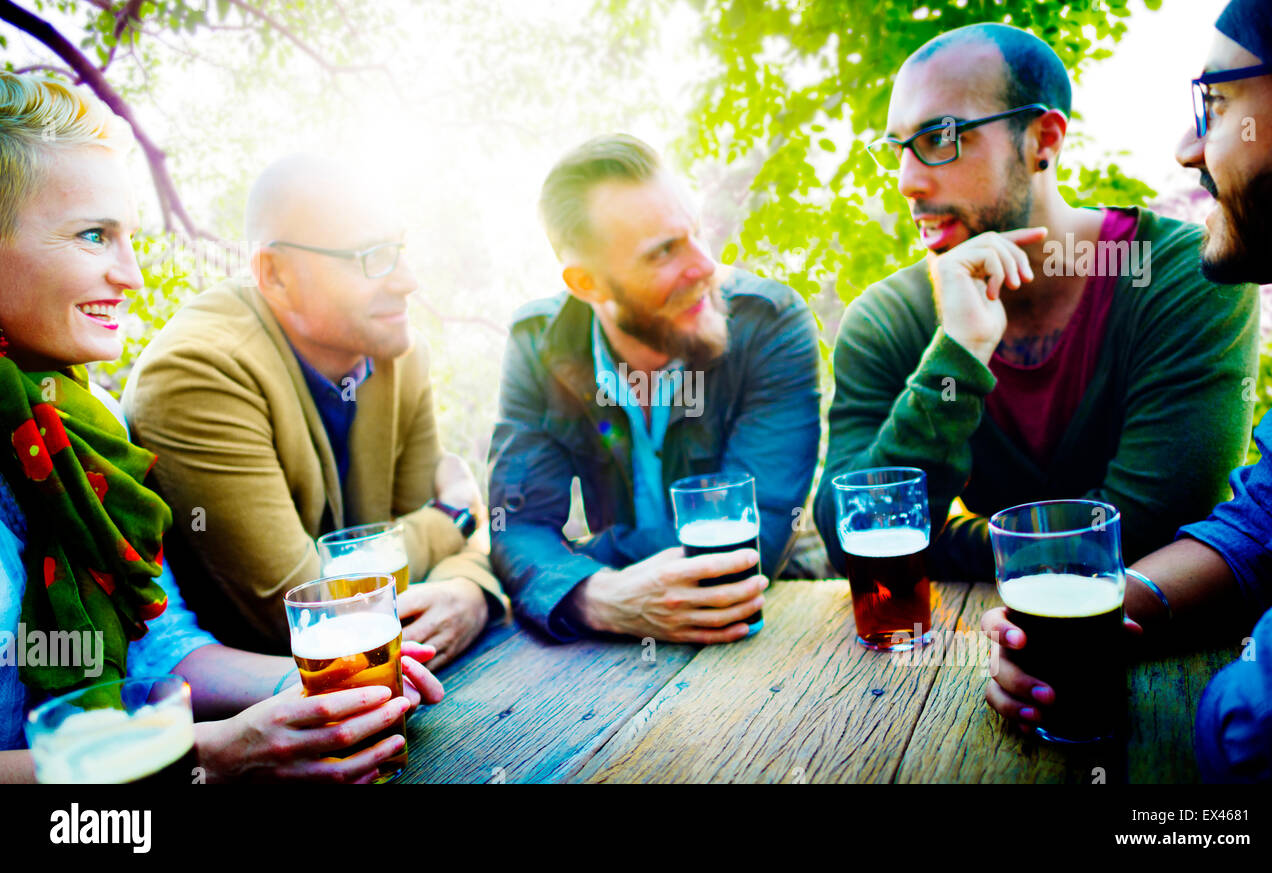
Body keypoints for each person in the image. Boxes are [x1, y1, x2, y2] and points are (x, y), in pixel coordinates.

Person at [0, 71, 443, 783]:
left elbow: (162, 651)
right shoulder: (200, 369)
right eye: (94, 237)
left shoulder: (90, 425)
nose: (132, 275)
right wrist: (203, 755)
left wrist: (303, 694)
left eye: (129, 238)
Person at [812, 23, 1259, 581]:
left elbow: (1157, 526)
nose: (907, 182)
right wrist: (959, 352)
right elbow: (852, 537)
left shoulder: (1183, 278)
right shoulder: (885, 320)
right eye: (899, 150)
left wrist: (945, 547)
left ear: (1044, 140)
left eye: (940, 139)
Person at [982, 0, 1272, 782]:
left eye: (1218, 103)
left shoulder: (1169, 276)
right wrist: (1120, 605)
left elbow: (1259, 729)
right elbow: (1263, 524)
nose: (1190, 148)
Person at [122, 155, 507, 668]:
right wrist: (454, 516)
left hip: (393, 684)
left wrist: (470, 590)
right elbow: (304, 610)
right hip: (263, 710)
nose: (409, 281)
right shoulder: (197, 371)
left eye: (402, 250)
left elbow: (450, 561)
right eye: (372, 256)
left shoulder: (399, 352)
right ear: (274, 274)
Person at [487, 134, 820, 643]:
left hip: (760, 619)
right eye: (665, 251)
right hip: (606, 651)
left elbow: (760, 530)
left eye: (696, 233)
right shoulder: (537, 343)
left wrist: (582, 573)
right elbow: (519, 523)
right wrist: (598, 598)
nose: (706, 267)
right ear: (587, 285)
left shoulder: (768, 322)